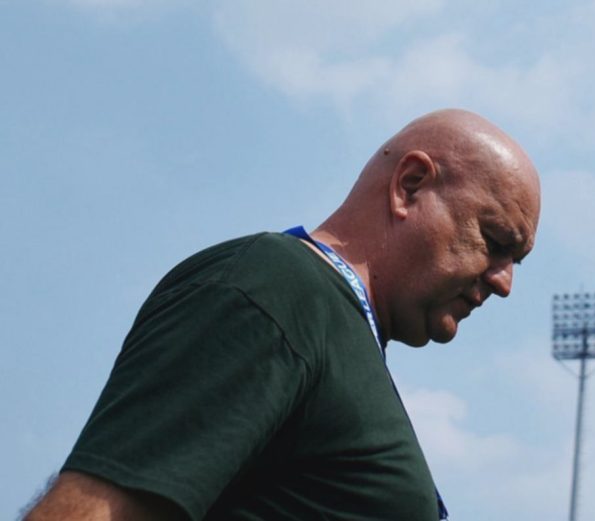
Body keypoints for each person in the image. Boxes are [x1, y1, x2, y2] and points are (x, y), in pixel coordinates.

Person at [25, 108, 541, 521]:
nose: (504, 283)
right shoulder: (274, 286)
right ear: (409, 184)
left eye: (514, 262)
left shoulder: (332, 326)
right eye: (496, 241)